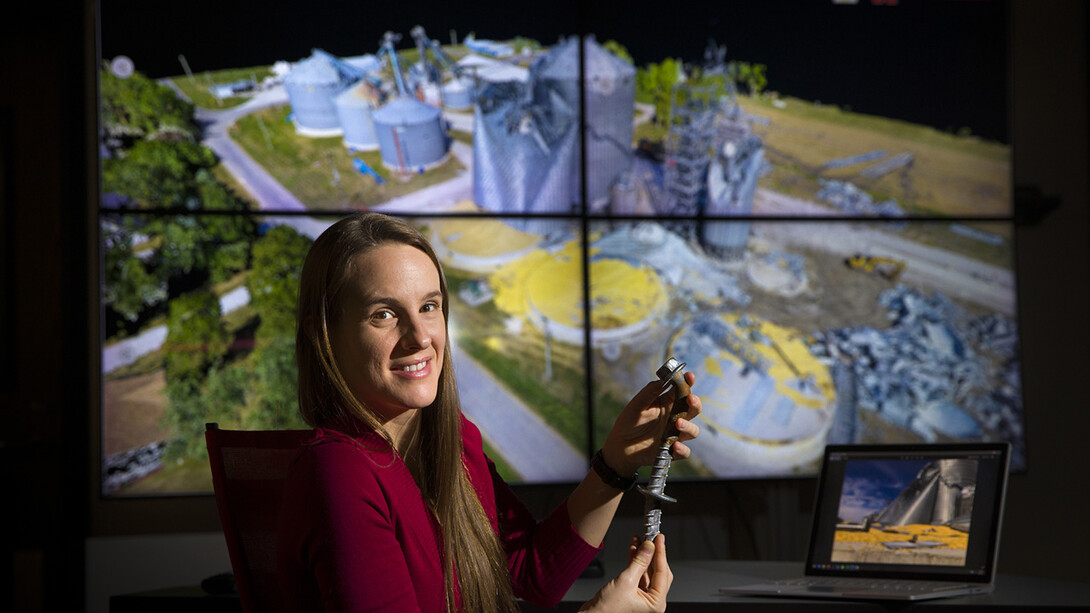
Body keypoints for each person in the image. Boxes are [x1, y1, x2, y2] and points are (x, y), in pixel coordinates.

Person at [278, 213, 701, 613]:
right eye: (383, 314)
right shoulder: (339, 472)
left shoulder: (453, 438)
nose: (420, 337)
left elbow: (532, 573)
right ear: (324, 335)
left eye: (429, 306)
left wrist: (617, 462)